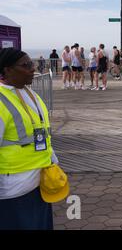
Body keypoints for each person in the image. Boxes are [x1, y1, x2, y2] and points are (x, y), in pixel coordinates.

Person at [0, 48, 61, 229]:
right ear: (7, 70)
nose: (33, 68)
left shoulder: (30, 94)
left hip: (39, 184)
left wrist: (53, 161)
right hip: (13, 190)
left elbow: (41, 133)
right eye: (26, 65)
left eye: (31, 64)